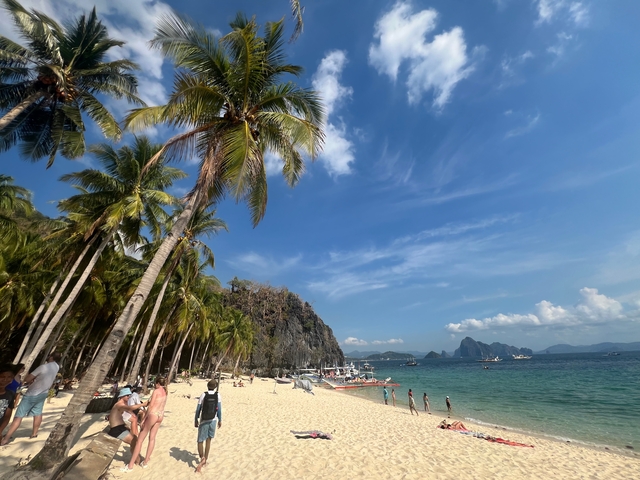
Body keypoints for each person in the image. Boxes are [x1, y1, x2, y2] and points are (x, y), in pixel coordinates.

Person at [0, 353, 61, 445]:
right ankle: (34, 434)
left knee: (19, 416)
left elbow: (28, 379)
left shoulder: (43, 367)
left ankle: (6, 438)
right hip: (43, 393)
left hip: (32, 393)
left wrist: (30, 379)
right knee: (38, 413)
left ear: (51, 357)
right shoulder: (56, 367)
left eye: (49, 356)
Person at [124, 376, 167, 471]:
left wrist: (143, 419)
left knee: (140, 439)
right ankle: (146, 461)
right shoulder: (165, 392)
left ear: (158, 383)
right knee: (152, 438)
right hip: (160, 415)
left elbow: (150, 407)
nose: (154, 385)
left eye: (155, 384)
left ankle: (130, 465)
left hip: (153, 414)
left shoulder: (156, 391)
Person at [194, 379, 222, 473]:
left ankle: (202, 457)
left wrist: (196, 419)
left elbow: (198, 409)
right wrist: (220, 420)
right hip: (213, 420)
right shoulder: (218, 395)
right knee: (209, 440)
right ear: (215, 387)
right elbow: (219, 410)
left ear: (208, 386)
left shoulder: (203, 395)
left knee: (200, 441)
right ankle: (206, 459)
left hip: (204, 420)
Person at [0, 365, 17, 442]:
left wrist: (0, 431)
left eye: (9, 377)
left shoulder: (10, 394)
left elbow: (7, 416)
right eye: (2, 376)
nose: (5, 379)